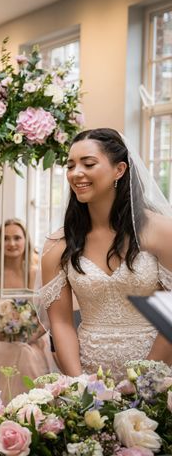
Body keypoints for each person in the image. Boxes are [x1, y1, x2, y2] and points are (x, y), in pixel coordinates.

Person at [39, 128, 172, 378]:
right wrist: (80, 384)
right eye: (70, 166)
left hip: (158, 373)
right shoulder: (58, 244)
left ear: (119, 170)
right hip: (90, 375)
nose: (76, 173)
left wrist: (146, 382)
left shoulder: (162, 232)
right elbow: (61, 323)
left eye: (88, 164)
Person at [0, 219, 49, 400]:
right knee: (16, 351)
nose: (12, 243)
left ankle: (30, 409)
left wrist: (29, 336)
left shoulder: (36, 274)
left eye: (17, 238)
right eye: (6, 239)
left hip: (31, 342)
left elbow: (47, 319)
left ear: (25, 241)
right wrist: (3, 336)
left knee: (24, 352)